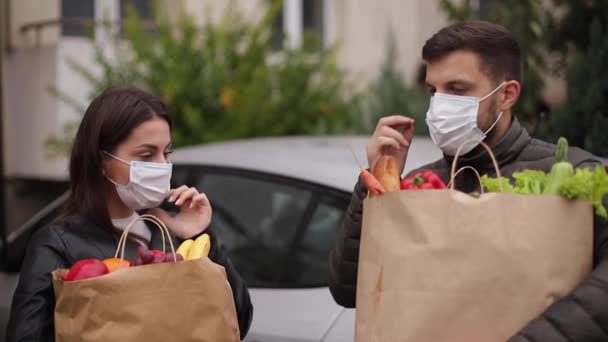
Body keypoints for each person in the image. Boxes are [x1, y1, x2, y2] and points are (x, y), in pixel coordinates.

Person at [328, 21, 608, 340]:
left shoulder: (572, 172)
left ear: (506, 95)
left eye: (457, 89)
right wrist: (379, 184)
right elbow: (348, 290)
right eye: (434, 91)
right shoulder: (423, 183)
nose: (439, 106)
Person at [7, 87, 253, 341]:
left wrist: (200, 233)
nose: (162, 166)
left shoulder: (170, 233)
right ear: (102, 160)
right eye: (146, 155)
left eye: (166, 153)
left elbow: (237, 320)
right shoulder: (59, 243)